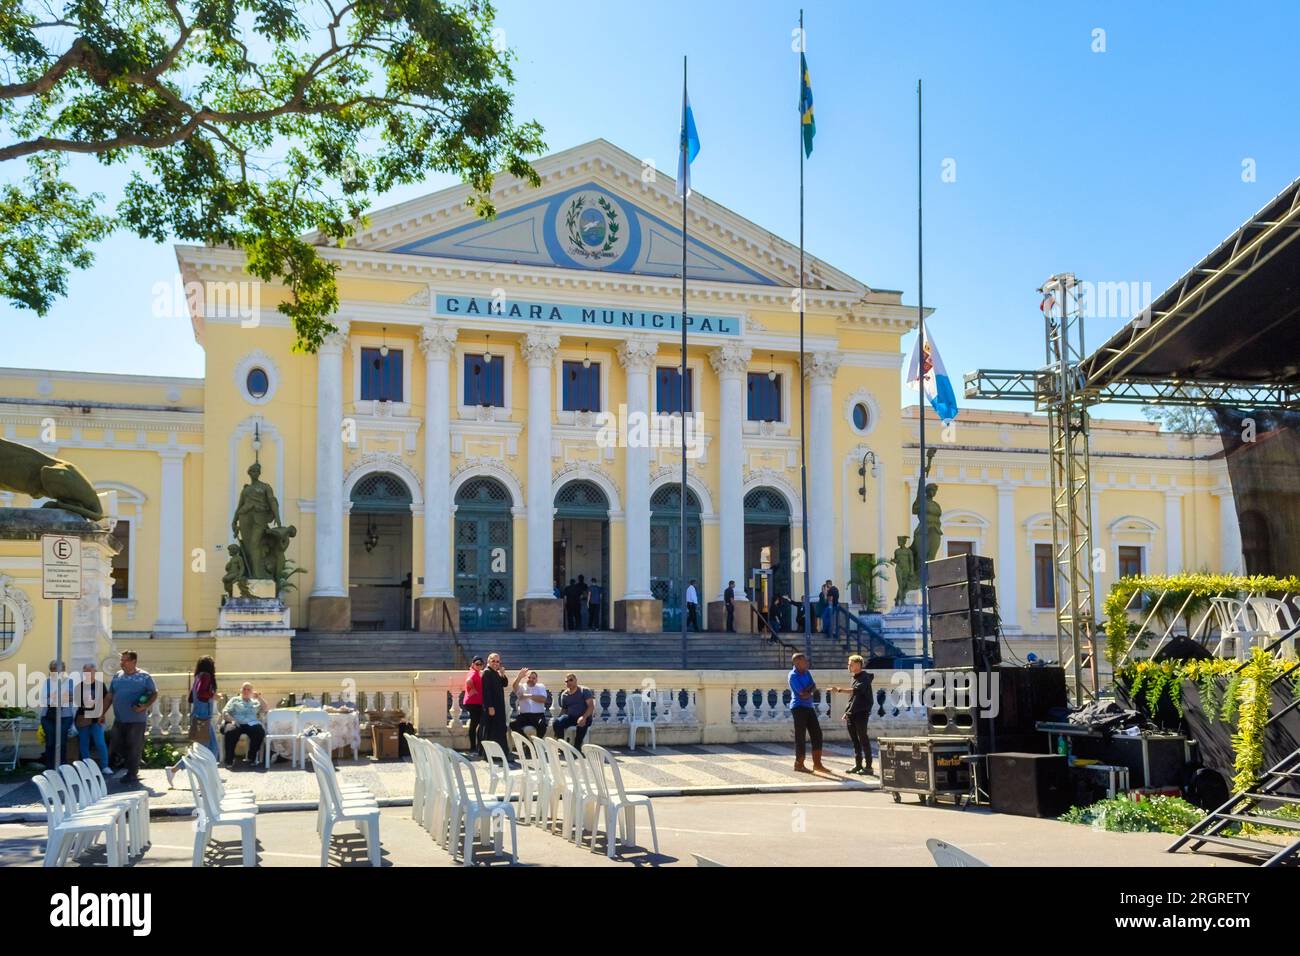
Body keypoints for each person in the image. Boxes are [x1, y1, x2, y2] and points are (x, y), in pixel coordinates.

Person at [104, 650, 157, 785]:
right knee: (116, 744)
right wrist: (101, 713)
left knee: (134, 746)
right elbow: (110, 696)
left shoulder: (144, 677)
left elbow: (154, 693)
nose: (122, 663)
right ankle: (131, 764)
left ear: (134, 661)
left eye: (125, 660)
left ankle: (132, 773)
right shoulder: (117, 676)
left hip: (136, 720)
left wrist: (144, 706)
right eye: (121, 660)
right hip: (120, 719)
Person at [165, 657, 218, 787]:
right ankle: (174, 770)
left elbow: (191, 698)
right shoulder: (205, 676)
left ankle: (209, 774)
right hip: (202, 718)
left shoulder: (198, 677)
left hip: (200, 716)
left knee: (212, 748)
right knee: (203, 750)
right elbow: (201, 694)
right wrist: (212, 695)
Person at [828, 655, 875, 775]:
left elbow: (856, 691)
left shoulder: (865, 677)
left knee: (863, 738)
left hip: (861, 712)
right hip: (852, 713)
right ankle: (858, 765)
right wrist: (847, 712)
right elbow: (853, 698)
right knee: (855, 741)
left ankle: (868, 767)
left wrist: (838, 690)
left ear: (859, 665)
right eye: (848, 664)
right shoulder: (854, 677)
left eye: (851, 664)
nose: (848, 666)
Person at [788, 653, 828, 774]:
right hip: (798, 707)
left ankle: (817, 763)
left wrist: (808, 692)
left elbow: (813, 686)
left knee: (817, 734)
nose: (807, 663)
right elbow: (802, 694)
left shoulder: (807, 672)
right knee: (800, 736)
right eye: (805, 661)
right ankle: (799, 763)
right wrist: (809, 691)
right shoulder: (793, 676)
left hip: (808, 706)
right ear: (797, 663)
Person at [220, 682, 268, 766]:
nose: (246, 691)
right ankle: (229, 759)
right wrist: (232, 720)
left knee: (259, 732)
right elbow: (225, 712)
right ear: (241, 690)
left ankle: (251, 757)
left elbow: (266, 708)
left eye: (248, 689)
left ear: (252, 691)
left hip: (251, 724)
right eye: (244, 689)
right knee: (231, 731)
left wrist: (259, 698)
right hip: (236, 722)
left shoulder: (255, 702)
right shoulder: (234, 700)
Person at [39, 660, 75, 769]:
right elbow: (44, 699)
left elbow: (72, 698)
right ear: (51, 670)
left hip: (65, 716)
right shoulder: (47, 682)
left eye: (60, 668)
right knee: (50, 741)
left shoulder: (69, 681)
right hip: (48, 716)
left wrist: (55, 696)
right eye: (55, 669)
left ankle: (62, 767)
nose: (58, 671)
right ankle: (49, 767)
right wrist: (63, 696)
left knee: (62, 741)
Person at [74, 662, 109, 772]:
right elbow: (77, 702)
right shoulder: (80, 686)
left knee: (100, 742)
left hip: (96, 718)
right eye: (86, 672)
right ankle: (87, 768)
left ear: (95, 672)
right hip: (83, 718)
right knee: (84, 744)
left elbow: (106, 701)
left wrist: (103, 714)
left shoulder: (100, 685)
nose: (88, 673)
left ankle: (105, 766)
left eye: (90, 671)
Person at [480, 652, 512, 761]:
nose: (495, 663)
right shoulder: (487, 673)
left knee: (499, 729)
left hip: (499, 706)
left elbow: (504, 684)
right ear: (488, 661)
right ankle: (490, 755)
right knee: (491, 730)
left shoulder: (496, 673)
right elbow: (486, 692)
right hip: (492, 707)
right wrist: (490, 706)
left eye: (497, 661)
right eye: (493, 661)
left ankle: (500, 754)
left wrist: (502, 674)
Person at [552, 673, 595, 750]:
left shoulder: (584, 691)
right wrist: (559, 719)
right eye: (566, 681)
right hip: (571, 717)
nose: (569, 682)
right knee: (557, 723)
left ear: (576, 680)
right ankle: (561, 745)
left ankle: (577, 747)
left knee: (581, 724)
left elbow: (591, 706)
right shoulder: (564, 694)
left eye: (571, 680)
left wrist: (583, 717)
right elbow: (564, 709)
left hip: (585, 716)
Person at [510, 668, 549, 738]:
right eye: (529, 677)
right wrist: (519, 677)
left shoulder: (540, 686)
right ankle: (526, 742)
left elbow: (543, 699)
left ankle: (537, 744)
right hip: (524, 716)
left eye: (533, 678)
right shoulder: (522, 687)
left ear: (537, 679)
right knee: (513, 725)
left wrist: (528, 696)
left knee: (542, 725)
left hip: (538, 715)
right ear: (525, 678)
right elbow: (514, 687)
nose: (531, 679)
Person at [462, 657, 485, 756]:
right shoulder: (473, 673)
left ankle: (475, 746)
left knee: (476, 724)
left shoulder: (474, 672)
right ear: (473, 664)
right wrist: (473, 689)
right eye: (477, 664)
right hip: (473, 703)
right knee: (476, 724)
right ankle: (474, 747)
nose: (479, 665)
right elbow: (468, 681)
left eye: (481, 664)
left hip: (475, 702)